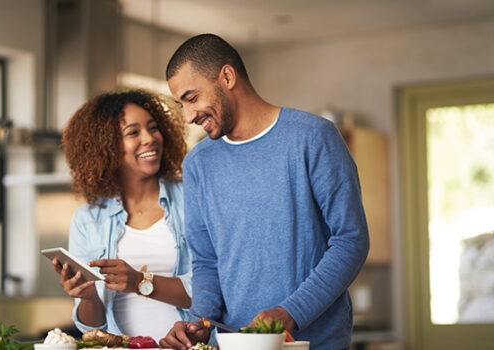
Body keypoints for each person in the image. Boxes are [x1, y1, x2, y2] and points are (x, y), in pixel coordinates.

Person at [159, 34, 370, 350]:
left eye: (192, 98)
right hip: (234, 344)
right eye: (181, 104)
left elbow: (350, 240)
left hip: (316, 343)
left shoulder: (312, 138)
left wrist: (289, 313)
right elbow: (206, 260)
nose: (188, 116)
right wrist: (200, 322)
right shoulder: (198, 164)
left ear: (227, 77)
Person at [53, 89, 192, 342]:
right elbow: (91, 327)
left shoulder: (192, 200)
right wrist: (87, 296)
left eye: (153, 128)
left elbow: (210, 291)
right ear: (106, 147)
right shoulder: (88, 219)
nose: (149, 138)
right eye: (133, 133)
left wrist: (140, 281)